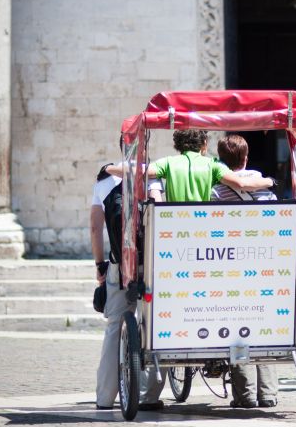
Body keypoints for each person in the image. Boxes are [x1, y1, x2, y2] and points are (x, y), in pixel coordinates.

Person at [91, 157, 166, 411]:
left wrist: (100, 265)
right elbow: (161, 211)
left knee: (115, 327)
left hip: (120, 263)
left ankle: (105, 397)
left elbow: (94, 228)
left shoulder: (103, 183)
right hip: (152, 263)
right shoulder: (152, 175)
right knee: (154, 323)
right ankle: (148, 395)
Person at [211, 134, 279, 409]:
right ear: (246, 157)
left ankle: (246, 394)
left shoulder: (216, 192)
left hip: (232, 269)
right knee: (264, 327)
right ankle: (269, 392)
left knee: (240, 329)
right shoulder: (266, 190)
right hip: (264, 267)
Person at [107, 129, 274, 198]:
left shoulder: (168, 163)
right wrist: (270, 181)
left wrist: (109, 168)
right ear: (203, 144)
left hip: (174, 227)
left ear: (178, 145)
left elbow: (137, 171)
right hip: (203, 227)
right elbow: (241, 183)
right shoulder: (213, 165)